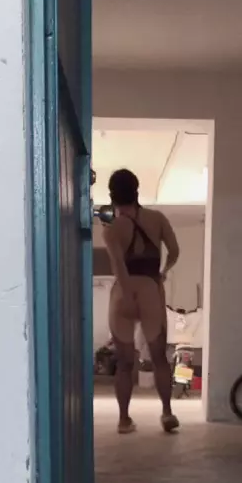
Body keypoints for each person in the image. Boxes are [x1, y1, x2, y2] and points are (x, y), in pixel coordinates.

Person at [103, 168, 181, 434]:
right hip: (150, 290)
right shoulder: (157, 219)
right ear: (136, 191)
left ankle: (124, 420)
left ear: (112, 196)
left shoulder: (111, 230)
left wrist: (127, 296)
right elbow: (175, 251)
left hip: (121, 296)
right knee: (159, 358)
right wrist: (163, 271)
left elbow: (118, 267)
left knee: (125, 363)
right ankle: (167, 412)